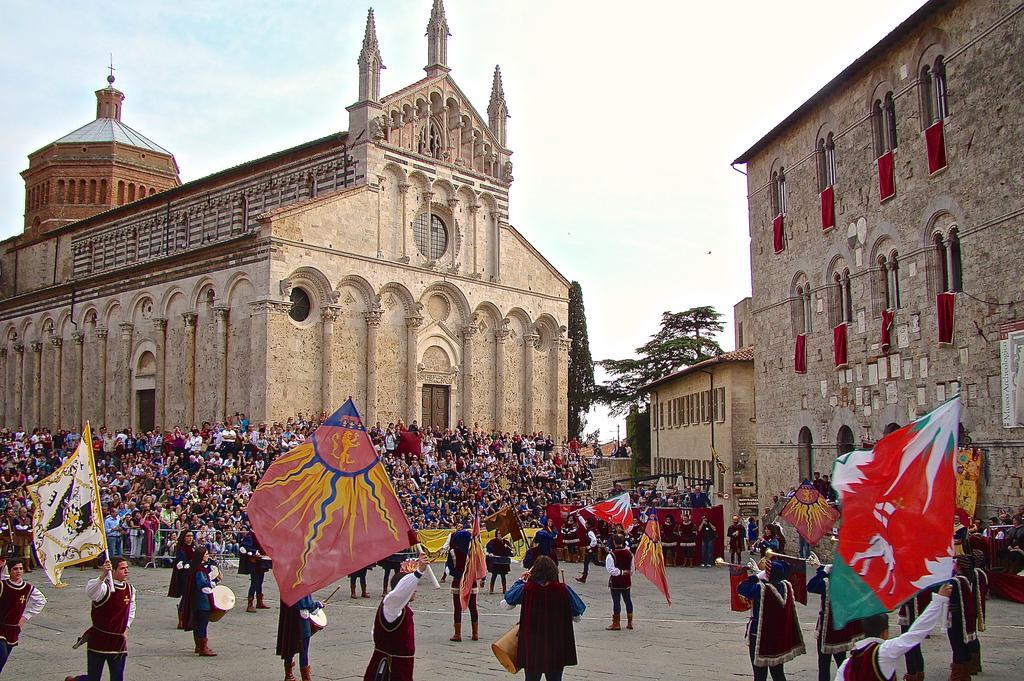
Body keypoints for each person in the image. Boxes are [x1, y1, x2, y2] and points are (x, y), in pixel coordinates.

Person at [835, 583, 952, 680]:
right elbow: (917, 632)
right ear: (885, 632)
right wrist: (939, 600)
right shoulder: (885, 651)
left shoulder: (847, 664)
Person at [500, 555, 586, 681]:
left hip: (532, 645)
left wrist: (521, 581)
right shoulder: (563, 589)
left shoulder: (526, 588)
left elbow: (506, 604)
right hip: (556, 644)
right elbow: (578, 616)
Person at [63, 556, 136, 681]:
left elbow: (131, 610)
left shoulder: (130, 589)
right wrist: (103, 575)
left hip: (118, 641)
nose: (126, 571)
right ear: (112, 571)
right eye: (122, 568)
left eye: (127, 568)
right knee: (93, 678)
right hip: (99, 639)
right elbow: (91, 592)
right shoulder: (104, 588)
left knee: (117, 678)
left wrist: (126, 630)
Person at [362, 555, 429, 681]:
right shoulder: (391, 606)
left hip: (401, 667)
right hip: (390, 669)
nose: (414, 590)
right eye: (412, 587)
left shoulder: (401, 609)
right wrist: (418, 573)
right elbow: (399, 593)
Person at [737, 559, 805, 681]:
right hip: (778, 636)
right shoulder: (786, 586)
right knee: (778, 673)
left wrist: (756, 576)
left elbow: (742, 588)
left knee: (760, 675)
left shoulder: (762, 589)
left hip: (760, 635)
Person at [806, 563, 863, 681]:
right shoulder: (849, 583)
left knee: (824, 664)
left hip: (827, 630)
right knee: (841, 662)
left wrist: (823, 572)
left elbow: (811, 586)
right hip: (841, 629)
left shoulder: (827, 584)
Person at [0, 558, 46, 673]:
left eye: (20, 568)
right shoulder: (2, 585)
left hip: (14, 628)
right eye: (15, 569)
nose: (18, 571)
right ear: (9, 571)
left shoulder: (28, 588)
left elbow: (41, 601)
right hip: (0, 627)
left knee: (3, 660)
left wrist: (24, 617)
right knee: (2, 655)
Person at [277, 592, 324, 681]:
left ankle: (289, 675)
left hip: (289, 619)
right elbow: (307, 604)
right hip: (300, 620)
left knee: (289, 646)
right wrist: (319, 605)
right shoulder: (301, 584)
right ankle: (306, 678)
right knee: (303, 650)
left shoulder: (285, 585)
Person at [183, 546, 219, 657]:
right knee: (202, 624)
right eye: (206, 554)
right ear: (201, 556)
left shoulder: (196, 568)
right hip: (202, 602)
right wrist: (215, 582)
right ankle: (202, 647)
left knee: (198, 624)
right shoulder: (199, 570)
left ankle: (198, 645)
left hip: (196, 601)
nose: (208, 556)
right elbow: (203, 586)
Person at [448, 525, 479, 641]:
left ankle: (457, 634)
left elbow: (450, 568)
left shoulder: (453, 552)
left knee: (457, 607)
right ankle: (475, 633)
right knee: (473, 607)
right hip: (471, 581)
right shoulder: (474, 553)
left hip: (457, 581)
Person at [605, 534, 634, 631]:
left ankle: (616, 623)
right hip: (626, 581)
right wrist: (627, 573)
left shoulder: (611, 555)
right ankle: (630, 622)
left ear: (614, 542)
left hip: (616, 582)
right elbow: (632, 568)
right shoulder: (629, 553)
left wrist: (621, 572)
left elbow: (610, 570)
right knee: (628, 600)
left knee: (616, 601)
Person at [167, 530, 196, 629]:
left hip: (193, 574)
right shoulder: (181, 548)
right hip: (184, 575)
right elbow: (179, 560)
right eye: (188, 536)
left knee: (192, 597)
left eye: (191, 536)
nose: (190, 538)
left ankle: (189, 618)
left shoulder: (194, 547)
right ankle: (181, 620)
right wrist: (181, 563)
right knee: (185, 596)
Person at [238, 529, 271, 612]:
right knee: (254, 582)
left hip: (261, 562)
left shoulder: (260, 533)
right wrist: (255, 552)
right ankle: (250, 604)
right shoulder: (250, 535)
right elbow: (245, 547)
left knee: (260, 582)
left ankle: (259, 602)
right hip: (254, 562)